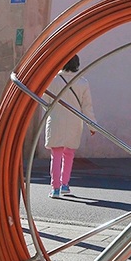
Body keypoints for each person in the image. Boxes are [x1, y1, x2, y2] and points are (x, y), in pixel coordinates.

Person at [43, 54, 95, 198]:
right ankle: (65, 184)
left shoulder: (52, 81)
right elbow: (87, 106)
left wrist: (51, 112)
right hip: (74, 121)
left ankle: (55, 188)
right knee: (69, 154)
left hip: (56, 119)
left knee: (56, 154)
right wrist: (92, 126)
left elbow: (44, 101)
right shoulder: (83, 82)